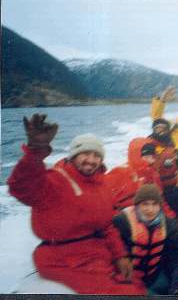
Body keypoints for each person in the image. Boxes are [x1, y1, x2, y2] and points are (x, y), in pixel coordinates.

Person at [7, 114, 145, 295]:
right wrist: (35, 152)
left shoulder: (101, 185)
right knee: (123, 292)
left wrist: (120, 255)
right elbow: (20, 187)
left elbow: (107, 227)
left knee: (136, 281)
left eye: (96, 155)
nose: (91, 160)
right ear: (73, 156)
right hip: (62, 260)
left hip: (95, 254)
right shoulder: (55, 180)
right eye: (85, 153)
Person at [113, 184, 178, 295]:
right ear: (137, 205)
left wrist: (176, 285)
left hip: (154, 276)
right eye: (145, 204)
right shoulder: (121, 222)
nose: (150, 209)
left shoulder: (169, 226)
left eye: (154, 204)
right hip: (128, 279)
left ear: (160, 206)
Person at [145, 118, 178, 235]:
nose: (160, 131)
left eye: (163, 128)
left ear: (168, 130)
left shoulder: (174, 150)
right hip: (157, 191)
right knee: (167, 220)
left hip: (175, 188)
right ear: (153, 130)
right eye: (157, 128)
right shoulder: (147, 149)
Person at [106, 139, 175, 218]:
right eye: (146, 156)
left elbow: (161, 201)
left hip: (149, 216)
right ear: (137, 156)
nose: (151, 159)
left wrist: (171, 218)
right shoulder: (119, 172)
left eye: (153, 155)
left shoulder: (153, 174)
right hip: (125, 218)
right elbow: (105, 202)